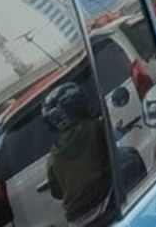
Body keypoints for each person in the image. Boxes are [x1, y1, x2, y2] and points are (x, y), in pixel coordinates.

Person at [42, 82, 113, 227]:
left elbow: (57, 193)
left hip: (76, 220)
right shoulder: (93, 127)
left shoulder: (52, 158)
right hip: (105, 202)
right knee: (130, 157)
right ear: (77, 107)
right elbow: (111, 150)